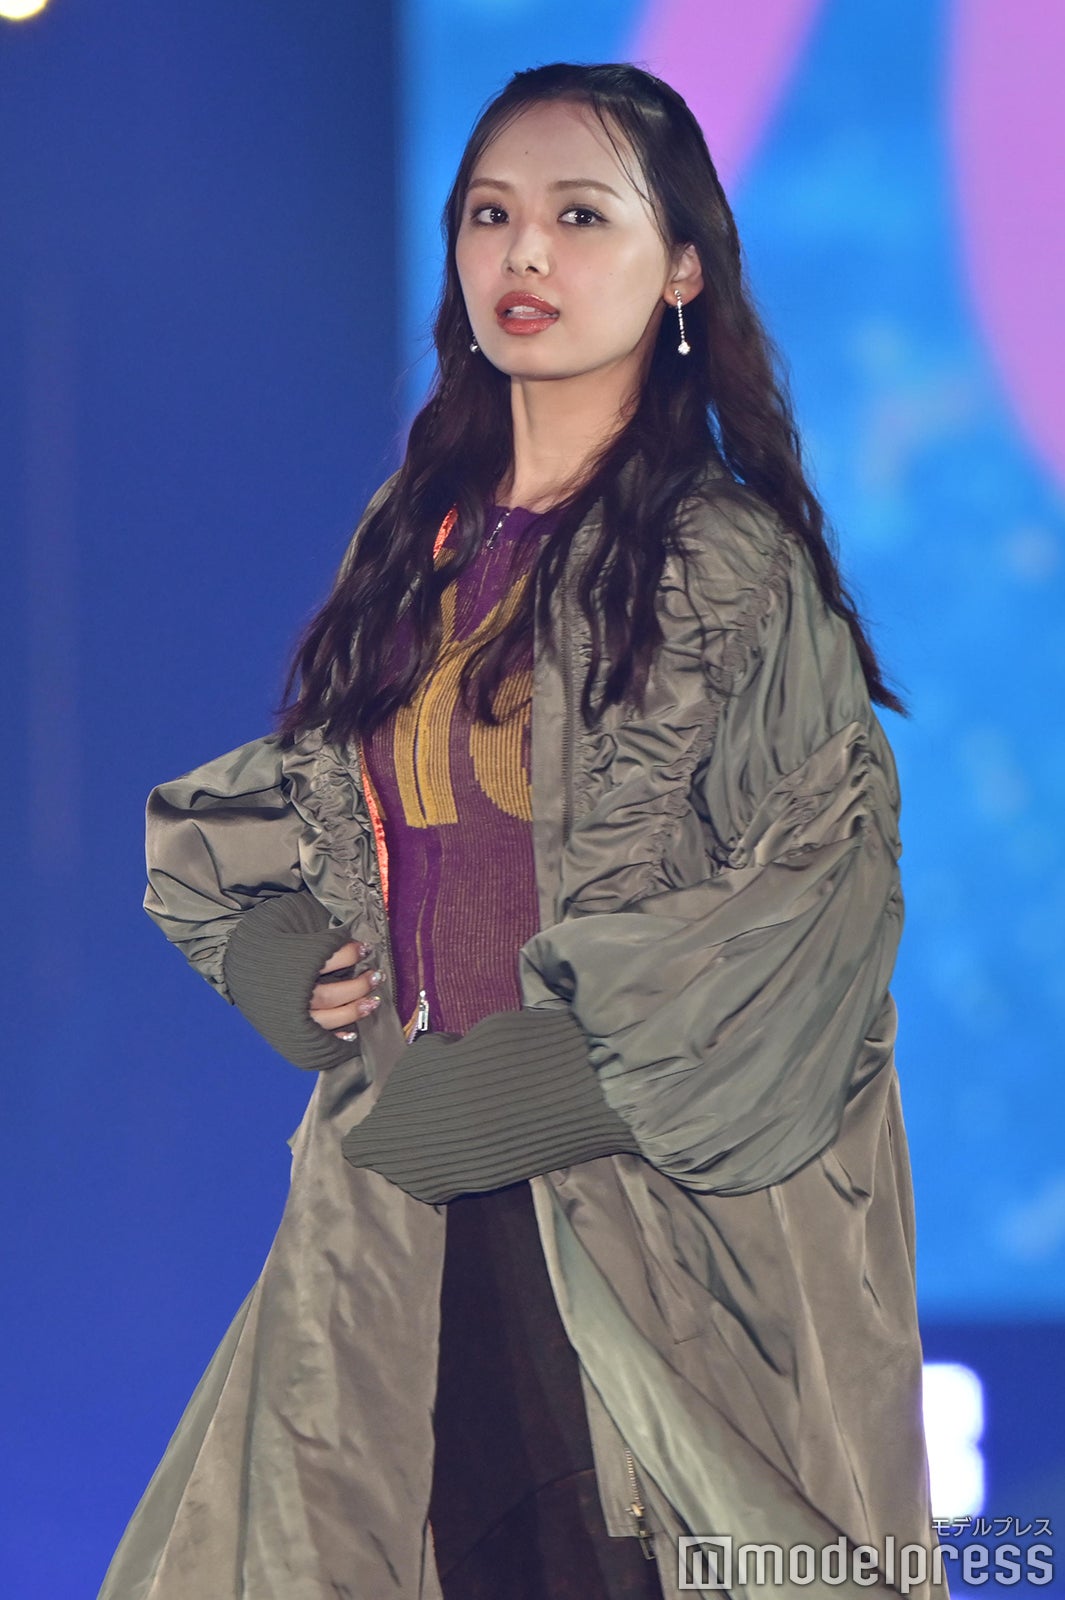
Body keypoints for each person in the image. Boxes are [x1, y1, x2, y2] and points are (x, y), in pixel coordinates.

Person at [98, 61, 944, 1600]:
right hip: (399, 1222)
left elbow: (813, 902)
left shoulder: (721, 564)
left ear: (680, 267)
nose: (524, 254)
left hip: (651, 1250)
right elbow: (316, 800)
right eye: (490, 216)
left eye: (578, 216)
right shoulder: (413, 541)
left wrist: (551, 1077)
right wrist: (282, 944)